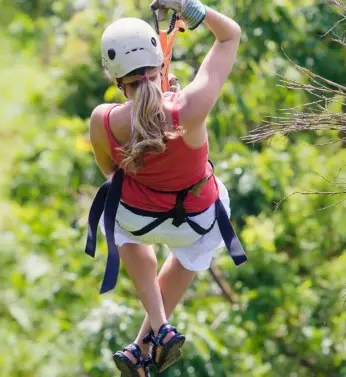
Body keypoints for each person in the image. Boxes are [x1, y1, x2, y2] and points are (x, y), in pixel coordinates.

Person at [84, 0, 244, 375]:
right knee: (196, 238)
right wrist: (188, 7)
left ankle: (154, 332)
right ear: (159, 61)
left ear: (114, 78)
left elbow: (111, 171)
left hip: (139, 219)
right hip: (197, 221)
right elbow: (230, 35)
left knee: (115, 211)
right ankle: (151, 335)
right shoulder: (190, 106)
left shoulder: (103, 120)